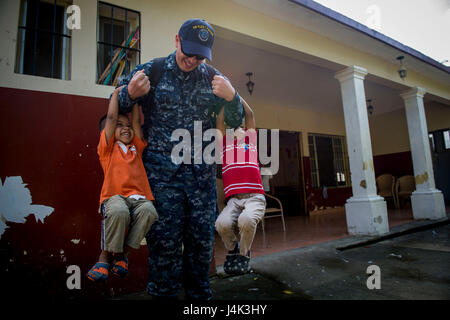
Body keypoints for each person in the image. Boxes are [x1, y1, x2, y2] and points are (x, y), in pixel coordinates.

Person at [115, 19, 244, 300]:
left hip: (201, 182)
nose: (192, 60)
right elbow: (118, 104)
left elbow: (236, 122)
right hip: (163, 183)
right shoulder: (154, 70)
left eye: (200, 56)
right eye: (189, 52)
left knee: (201, 251)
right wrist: (129, 94)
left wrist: (233, 97)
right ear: (177, 40)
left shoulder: (212, 77)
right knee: (164, 252)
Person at [87, 87, 158, 282]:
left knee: (150, 212)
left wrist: (135, 100)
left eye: (127, 125)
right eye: (120, 125)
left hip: (139, 197)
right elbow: (110, 119)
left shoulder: (136, 145)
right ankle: (104, 257)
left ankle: (122, 255)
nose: (125, 128)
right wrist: (117, 95)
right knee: (119, 212)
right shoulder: (107, 149)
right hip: (114, 196)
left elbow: (136, 122)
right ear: (107, 132)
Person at [215, 99, 266, 275]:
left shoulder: (250, 143)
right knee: (221, 224)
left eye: (242, 128)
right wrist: (222, 105)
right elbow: (219, 122)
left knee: (246, 220)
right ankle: (232, 249)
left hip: (254, 197)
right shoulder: (224, 146)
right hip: (235, 200)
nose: (239, 130)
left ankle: (244, 254)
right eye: (234, 129)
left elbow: (250, 114)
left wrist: (235, 97)